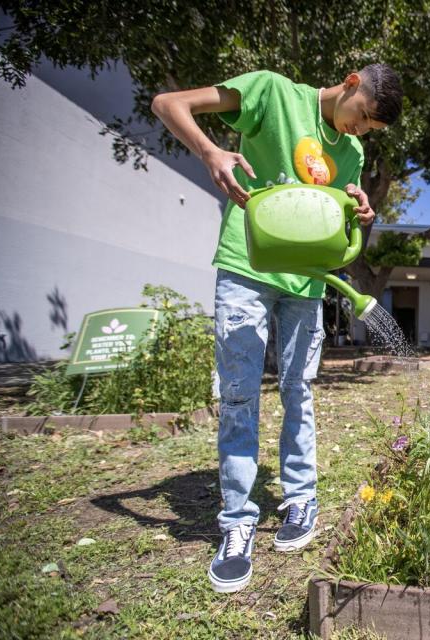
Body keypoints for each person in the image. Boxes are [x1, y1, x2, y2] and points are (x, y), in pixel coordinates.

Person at [152, 64, 402, 593]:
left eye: (368, 131)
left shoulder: (352, 155)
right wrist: (211, 152)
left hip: (307, 282)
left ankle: (299, 497)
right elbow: (168, 103)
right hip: (246, 266)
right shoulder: (272, 93)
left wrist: (362, 215)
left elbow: (334, 224)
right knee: (240, 396)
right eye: (361, 119)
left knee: (299, 391)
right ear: (351, 83)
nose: (358, 133)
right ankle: (237, 522)